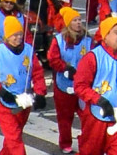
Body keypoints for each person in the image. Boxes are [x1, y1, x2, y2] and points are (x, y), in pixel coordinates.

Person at [74, 15, 117, 155]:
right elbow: (80, 85)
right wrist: (99, 100)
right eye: (116, 32)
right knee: (90, 151)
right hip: (97, 117)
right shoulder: (92, 58)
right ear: (105, 36)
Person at [0, 13, 46, 155]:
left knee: (13, 138)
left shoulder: (28, 50)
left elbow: (37, 73)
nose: (17, 38)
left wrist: (40, 93)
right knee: (15, 140)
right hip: (4, 103)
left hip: (24, 101)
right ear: (6, 36)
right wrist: (0, 90)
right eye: (14, 35)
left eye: (19, 34)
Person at [46, 8, 90, 155]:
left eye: (79, 20)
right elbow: (53, 59)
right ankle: (65, 143)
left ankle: (88, 142)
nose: (78, 23)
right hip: (64, 85)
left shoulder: (87, 38)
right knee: (65, 117)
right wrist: (65, 68)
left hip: (84, 85)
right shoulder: (59, 40)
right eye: (75, 20)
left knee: (88, 116)